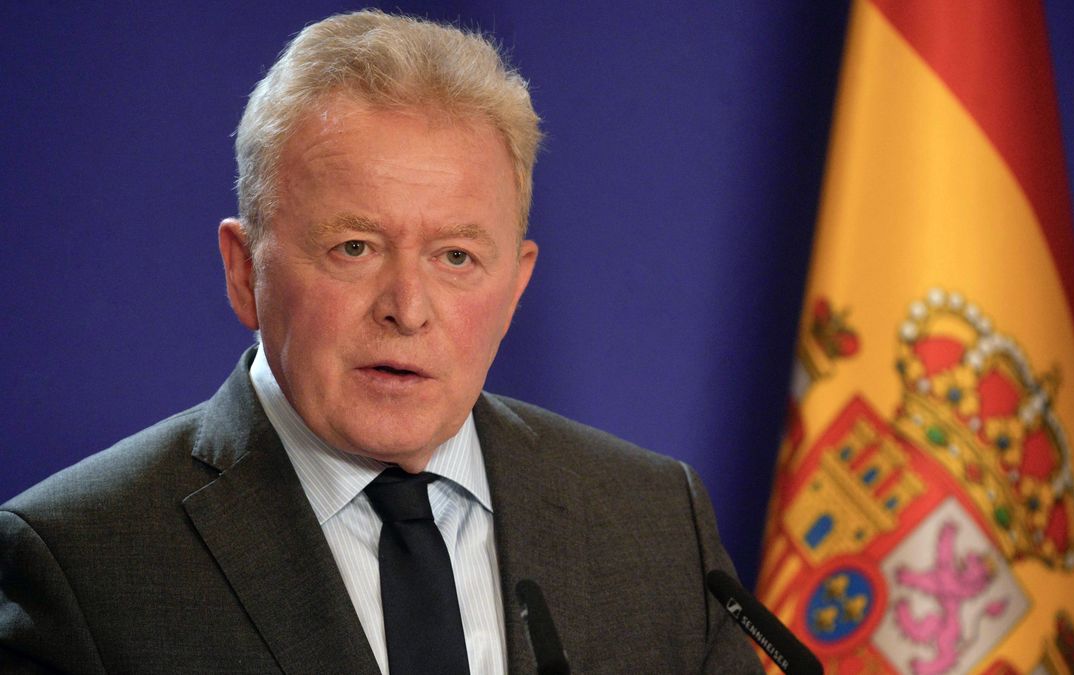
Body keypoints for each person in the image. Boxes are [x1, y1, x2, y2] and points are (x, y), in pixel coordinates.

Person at [0, 10, 759, 673]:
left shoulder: (655, 525)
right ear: (243, 272)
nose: (408, 308)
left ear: (515, 287)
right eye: (355, 247)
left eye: (456, 256)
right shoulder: (77, 563)